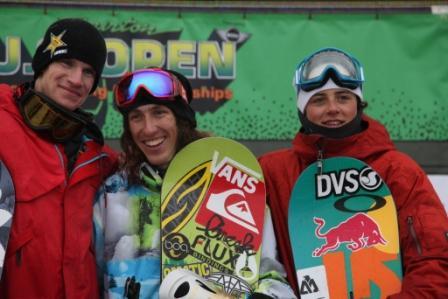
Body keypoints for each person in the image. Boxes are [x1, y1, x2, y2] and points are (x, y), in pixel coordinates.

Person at [259, 47, 448, 298]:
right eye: (319, 100)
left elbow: (434, 260)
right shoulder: (273, 172)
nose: (333, 108)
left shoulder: (397, 170)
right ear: (302, 109)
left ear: (358, 103)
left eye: (343, 97)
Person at [93, 67, 296, 299]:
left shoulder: (231, 188)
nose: (148, 128)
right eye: (136, 117)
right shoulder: (113, 194)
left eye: (159, 113)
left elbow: (274, 281)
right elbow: (89, 282)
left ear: (182, 121)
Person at [0, 18, 118, 298]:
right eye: (66, 63)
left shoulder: (99, 158)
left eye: (88, 72)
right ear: (43, 64)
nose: (76, 79)